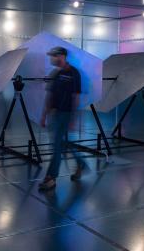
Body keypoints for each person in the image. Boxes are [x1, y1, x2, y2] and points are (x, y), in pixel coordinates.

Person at [38, 46, 86, 191]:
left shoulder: (74, 73)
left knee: (57, 146)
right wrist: (44, 114)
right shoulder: (55, 73)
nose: (51, 58)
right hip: (54, 114)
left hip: (66, 114)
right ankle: (80, 162)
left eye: (53, 55)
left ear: (62, 56)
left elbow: (75, 97)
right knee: (61, 143)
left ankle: (51, 178)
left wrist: (73, 118)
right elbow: (49, 95)